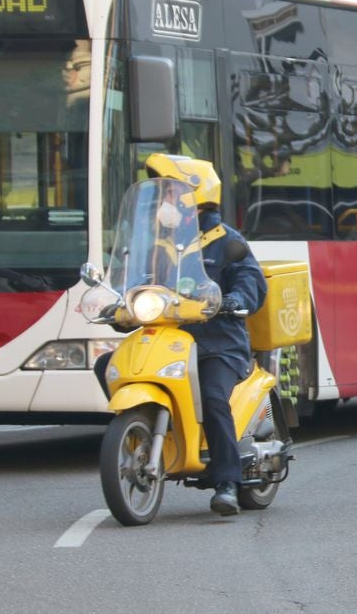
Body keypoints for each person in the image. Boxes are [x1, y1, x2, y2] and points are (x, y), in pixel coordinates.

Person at [94, 154, 267, 516]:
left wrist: (235, 298)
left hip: (218, 342)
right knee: (106, 365)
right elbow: (135, 280)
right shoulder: (157, 244)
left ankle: (227, 482)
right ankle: (145, 428)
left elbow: (251, 281)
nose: (164, 203)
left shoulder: (227, 242)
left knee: (214, 396)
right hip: (168, 340)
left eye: (171, 195)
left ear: (195, 196)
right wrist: (118, 304)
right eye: (162, 197)